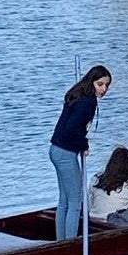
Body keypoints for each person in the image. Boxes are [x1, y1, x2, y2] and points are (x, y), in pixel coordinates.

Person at [49, 64, 112, 240]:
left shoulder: (78, 95)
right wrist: (83, 145)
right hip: (65, 152)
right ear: (91, 82)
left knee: (64, 200)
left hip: (55, 149)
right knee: (75, 202)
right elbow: (72, 129)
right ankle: (69, 243)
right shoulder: (88, 102)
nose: (104, 89)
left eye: (106, 85)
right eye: (100, 84)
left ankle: (61, 242)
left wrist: (81, 143)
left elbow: (71, 127)